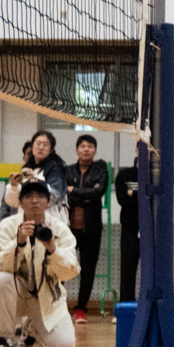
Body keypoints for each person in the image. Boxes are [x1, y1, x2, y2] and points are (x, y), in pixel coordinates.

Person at [0, 180, 79, 347]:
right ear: (20, 203)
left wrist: (53, 250)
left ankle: (30, 330)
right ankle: (5, 339)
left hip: (46, 297)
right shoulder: (7, 226)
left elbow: (70, 272)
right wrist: (19, 242)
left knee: (64, 345)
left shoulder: (60, 229)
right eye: (28, 196)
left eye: (40, 196)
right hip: (16, 293)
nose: (34, 200)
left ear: (48, 202)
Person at [65, 134, 109, 324]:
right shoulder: (67, 170)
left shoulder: (101, 170)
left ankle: (81, 309)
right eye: (83, 146)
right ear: (77, 150)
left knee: (88, 270)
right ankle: (59, 307)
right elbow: (63, 193)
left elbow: (99, 192)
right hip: (68, 229)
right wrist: (86, 195)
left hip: (91, 229)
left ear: (95, 150)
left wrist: (73, 190)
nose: (86, 149)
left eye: (90, 146)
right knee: (61, 266)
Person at [114, 163, 140, 304]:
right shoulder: (124, 175)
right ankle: (126, 304)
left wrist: (133, 193)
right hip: (129, 228)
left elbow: (156, 199)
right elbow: (122, 199)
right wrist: (143, 195)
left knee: (153, 270)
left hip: (153, 228)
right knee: (128, 268)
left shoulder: (155, 175)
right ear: (137, 152)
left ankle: (150, 305)